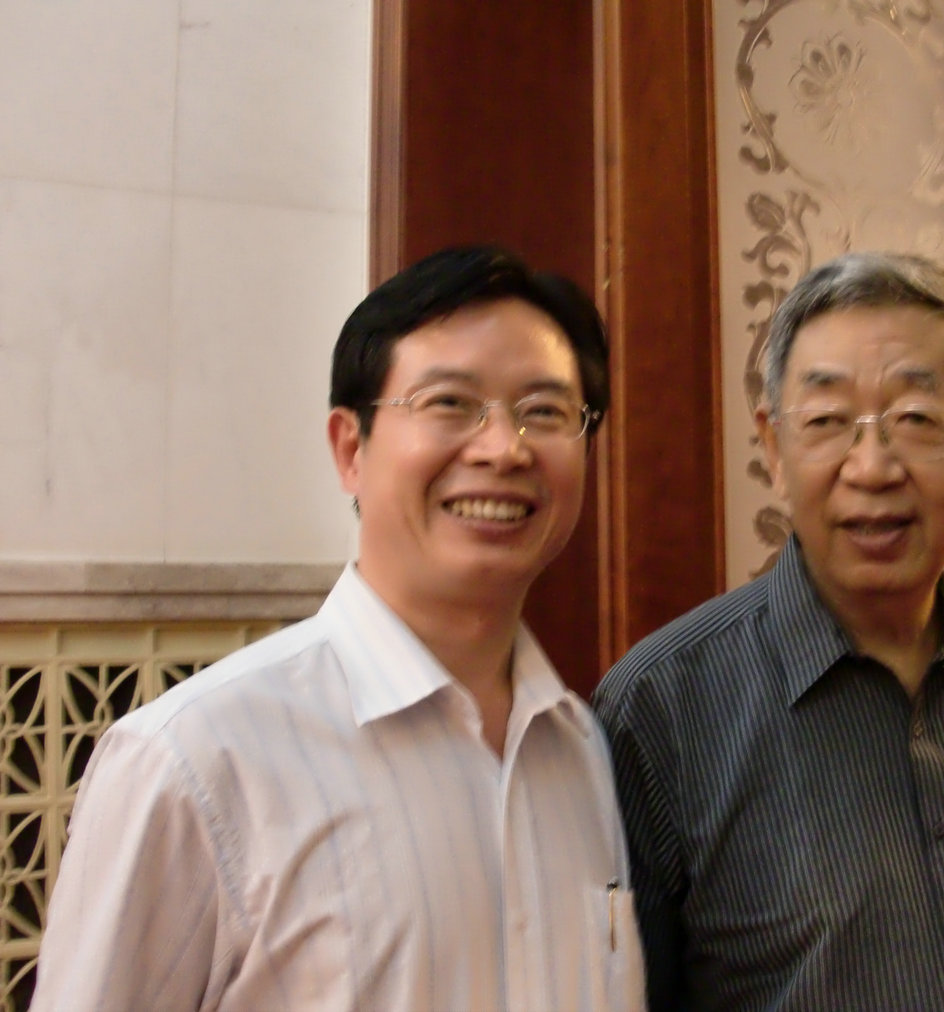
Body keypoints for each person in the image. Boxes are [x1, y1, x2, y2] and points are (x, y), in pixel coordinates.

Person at [33, 244, 645, 1011]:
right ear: (351, 450)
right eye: (450, 404)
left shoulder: (579, 750)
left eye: (545, 412)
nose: (503, 448)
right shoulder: (192, 765)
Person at [594, 251, 944, 1011]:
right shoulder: (660, 713)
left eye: (917, 420)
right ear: (774, 452)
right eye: (825, 423)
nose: (873, 466)